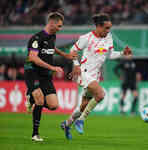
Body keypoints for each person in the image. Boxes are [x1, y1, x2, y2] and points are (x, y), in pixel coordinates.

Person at [60, 13, 133, 140]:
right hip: (83, 72)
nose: (108, 30)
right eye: (106, 28)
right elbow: (73, 50)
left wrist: (122, 53)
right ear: (98, 27)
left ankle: (67, 124)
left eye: (109, 28)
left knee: (83, 106)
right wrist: (76, 65)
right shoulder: (86, 38)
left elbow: (109, 55)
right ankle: (81, 121)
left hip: (95, 75)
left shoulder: (109, 38)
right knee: (101, 94)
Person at [24, 12, 77, 142]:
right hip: (33, 72)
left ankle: (31, 98)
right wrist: (52, 68)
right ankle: (35, 134)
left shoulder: (53, 36)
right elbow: (33, 58)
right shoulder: (36, 38)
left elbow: (52, 48)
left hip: (45, 75)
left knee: (53, 105)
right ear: (51, 23)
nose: (60, 28)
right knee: (40, 100)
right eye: (58, 26)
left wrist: (65, 55)